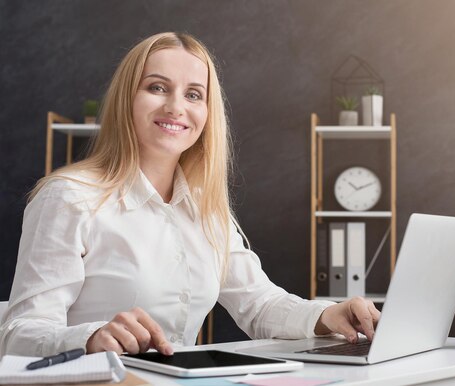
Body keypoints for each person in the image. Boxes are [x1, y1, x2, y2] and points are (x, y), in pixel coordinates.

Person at [0, 32, 380, 357]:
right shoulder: (68, 198)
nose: (176, 106)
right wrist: (90, 337)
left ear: (207, 112)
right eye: (157, 87)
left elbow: (260, 305)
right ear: (126, 99)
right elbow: (19, 333)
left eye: (194, 94)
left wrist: (326, 315)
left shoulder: (206, 209)